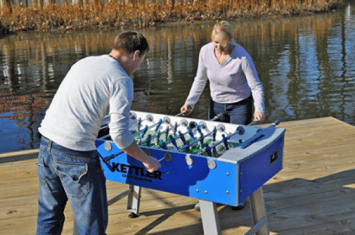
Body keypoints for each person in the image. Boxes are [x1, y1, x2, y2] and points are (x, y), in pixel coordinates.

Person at [36, 31, 161, 235]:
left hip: (47, 145)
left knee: (49, 216)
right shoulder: (121, 79)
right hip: (76, 155)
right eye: (142, 60)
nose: (139, 66)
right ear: (136, 54)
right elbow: (120, 135)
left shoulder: (85, 62)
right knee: (92, 226)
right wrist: (146, 159)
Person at [180, 21, 266, 211]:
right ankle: (211, 193)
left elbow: (256, 86)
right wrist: (190, 103)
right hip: (216, 105)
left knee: (238, 150)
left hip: (240, 106)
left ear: (231, 40)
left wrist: (258, 108)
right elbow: (200, 79)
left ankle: (238, 195)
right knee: (214, 149)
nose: (217, 47)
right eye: (214, 42)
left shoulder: (241, 57)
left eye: (222, 43)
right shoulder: (205, 52)